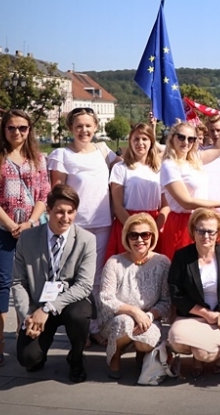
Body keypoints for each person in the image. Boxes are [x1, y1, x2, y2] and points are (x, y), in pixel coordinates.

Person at [0, 109, 50, 367]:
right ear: (4, 130)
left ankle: (25, 331)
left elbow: (44, 194)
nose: (17, 132)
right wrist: (11, 224)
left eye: (22, 127)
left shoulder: (38, 160)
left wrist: (30, 222)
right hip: (3, 230)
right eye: (11, 127)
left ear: (29, 130)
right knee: (2, 282)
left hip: (32, 230)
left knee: (31, 283)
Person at [48, 106, 120, 344]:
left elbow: (129, 164)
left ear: (96, 127)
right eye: (79, 126)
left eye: (88, 126)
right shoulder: (62, 154)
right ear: (71, 128)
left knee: (97, 278)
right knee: (72, 278)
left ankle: (95, 326)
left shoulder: (103, 152)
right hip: (74, 227)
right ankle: (76, 329)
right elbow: (57, 193)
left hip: (102, 223)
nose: (84, 130)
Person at [12, 184, 97, 383]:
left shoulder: (86, 240)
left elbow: (84, 286)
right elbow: (18, 282)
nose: (65, 218)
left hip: (70, 302)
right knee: (27, 358)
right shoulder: (27, 238)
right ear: (48, 210)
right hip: (38, 302)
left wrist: (48, 308)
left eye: (71, 212)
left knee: (79, 314)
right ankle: (39, 354)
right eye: (60, 211)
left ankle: (76, 358)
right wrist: (27, 317)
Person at [159, 103, 220, 259]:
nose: (186, 142)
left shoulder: (195, 159)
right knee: (185, 267)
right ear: (172, 138)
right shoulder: (169, 166)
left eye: (191, 139)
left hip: (202, 219)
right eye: (181, 137)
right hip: (182, 224)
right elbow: (186, 202)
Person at [167, 207, 220, 377]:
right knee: (175, 341)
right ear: (193, 231)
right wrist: (205, 314)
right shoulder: (182, 256)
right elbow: (176, 293)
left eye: (211, 232)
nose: (206, 236)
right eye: (201, 231)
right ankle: (199, 352)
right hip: (192, 316)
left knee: (205, 355)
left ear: (218, 233)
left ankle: (215, 351)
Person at [99, 213, 171, 379]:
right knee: (124, 322)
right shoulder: (114, 262)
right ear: (127, 237)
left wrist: (148, 316)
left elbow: (166, 301)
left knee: (145, 340)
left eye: (145, 235)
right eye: (134, 235)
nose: (139, 240)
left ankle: (141, 353)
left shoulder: (163, 262)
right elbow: (106, 298)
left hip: (149, 318)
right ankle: (115, 355)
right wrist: (134, 311)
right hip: (117, 318)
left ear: (152, 236)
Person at [105, 123, 169, 260]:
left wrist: (153, 228)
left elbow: (166, 205)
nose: (140, 143)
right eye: (136, 139)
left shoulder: (160, 168)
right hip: (127, 222)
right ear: (130, 141)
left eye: (144, 139)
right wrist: (133, 229)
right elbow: (117, 206)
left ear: (151, 141)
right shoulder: (120, 168)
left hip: (154, 223)